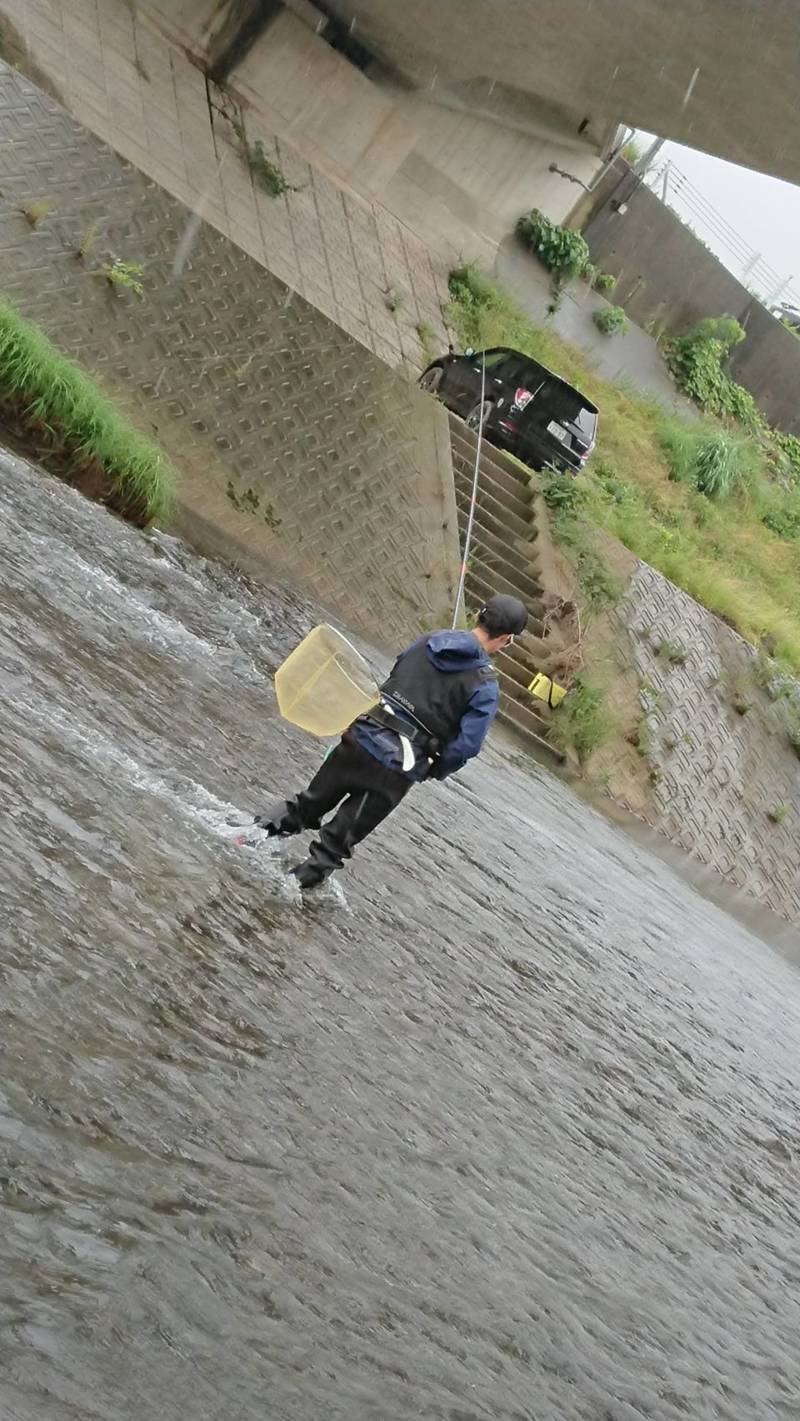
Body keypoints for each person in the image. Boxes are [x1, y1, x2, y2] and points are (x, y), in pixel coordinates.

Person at [255, 594, 528, 889]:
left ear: (477, 617)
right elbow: (467, 746)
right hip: (394, 771)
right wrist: (433, 769)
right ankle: (280, 894)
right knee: (332, 849)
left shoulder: (429, 640)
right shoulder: (486, 687)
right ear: (505, 640)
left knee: (303, 807)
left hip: (359, 737)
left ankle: (245, 837)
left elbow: (397, 671)